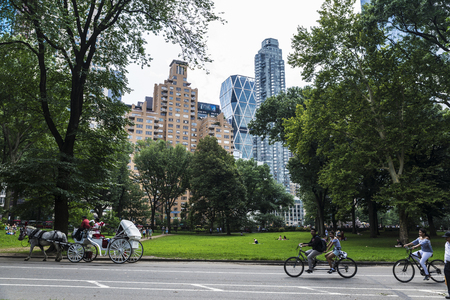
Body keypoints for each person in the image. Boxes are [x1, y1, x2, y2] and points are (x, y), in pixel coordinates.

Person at [442, 231, 450, 299]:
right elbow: (446, 253)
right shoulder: (446, 244)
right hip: (447, 264)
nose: (446, 238)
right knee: (448, 280)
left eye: (447, 237)